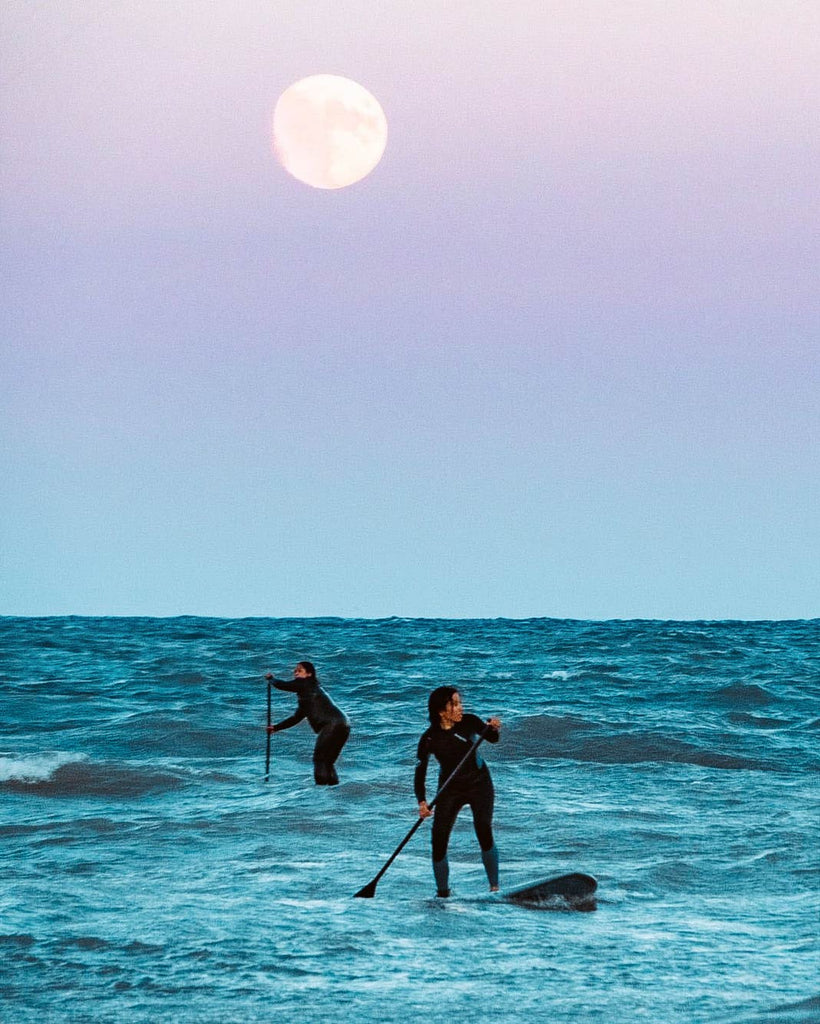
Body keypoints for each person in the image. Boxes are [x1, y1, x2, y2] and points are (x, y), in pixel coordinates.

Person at [414, 686, 501, 897]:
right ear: (441, 711)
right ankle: (443, 893)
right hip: (450, 789)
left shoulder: (469, 721)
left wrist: (493, 728)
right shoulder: (429, 738)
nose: (460, 707)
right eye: (454, 704)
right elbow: (420, 772)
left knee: (483, 829)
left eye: (460, 702)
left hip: (479, 784)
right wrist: (422, 802)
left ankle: (495, 888)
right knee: (438, 839)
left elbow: (492, 738)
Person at [265, 662, 350, 785]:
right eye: (294, 671)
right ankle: (333, 791)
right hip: (343, 723)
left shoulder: (306, 683)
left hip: (331, 724)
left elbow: (284, 685)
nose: (295, 673)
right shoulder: (309, 694)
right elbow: (296, 717)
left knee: (319, 760)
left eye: (299, 670)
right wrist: (276, 728)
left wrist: (272, 680)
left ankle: (320, 791)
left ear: (309, 674)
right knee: (327, 762)